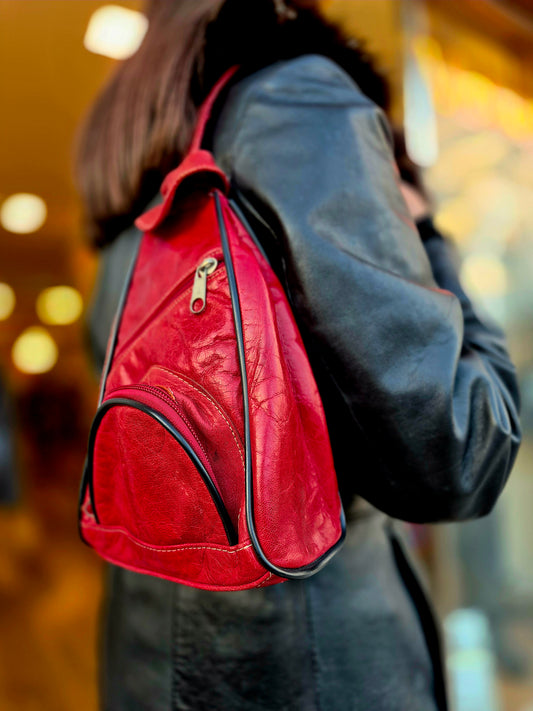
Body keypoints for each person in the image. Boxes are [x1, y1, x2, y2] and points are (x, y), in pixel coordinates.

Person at [76, 1, 522, 709]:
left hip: (146, 657)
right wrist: (429, 232)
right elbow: (458, 450)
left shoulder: (133, 158)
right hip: (313, 660)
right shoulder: (294, 99)